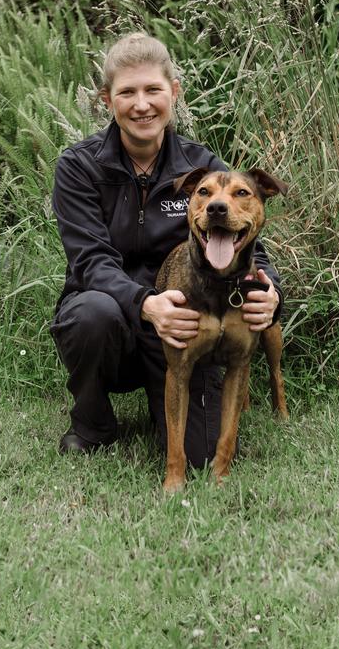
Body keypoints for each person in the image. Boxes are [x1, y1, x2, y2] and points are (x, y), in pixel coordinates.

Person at [50, 32, 283, 467]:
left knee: (198, 454)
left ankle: (170, 404)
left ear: (174, 93)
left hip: (187, 328)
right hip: (116, 322)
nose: (142, 104)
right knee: (91, 313)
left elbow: (250, 242)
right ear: (107, 100)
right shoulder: (79, 167)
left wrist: (273, 295)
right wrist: (147, 304)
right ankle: (92, 421)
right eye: (127, 92)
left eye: (153, 90)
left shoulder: (203, 170)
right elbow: (90, 262)